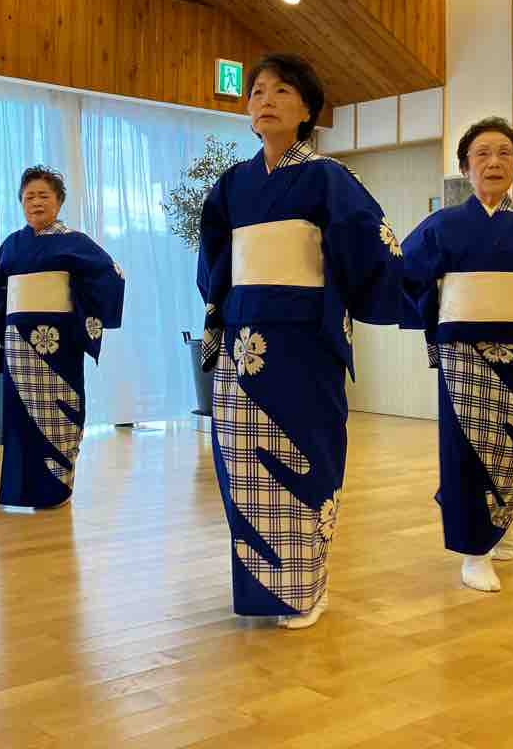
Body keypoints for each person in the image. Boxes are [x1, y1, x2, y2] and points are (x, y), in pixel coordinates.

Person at [197, 53, 402, 630]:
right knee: (243, 464)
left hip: (304, 341)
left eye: (282, 91)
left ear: (308, 109)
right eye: (258, 91)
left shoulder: (327, 178)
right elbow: (215, 260)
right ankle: (264, 585)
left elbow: (366, 244)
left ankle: (307, 585)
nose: (265, 100)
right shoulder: (232, 185)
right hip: (245, 342)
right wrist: (222, 314)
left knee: (306, 457)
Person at [400, 117, 513, 593]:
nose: (494, 162)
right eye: (482, 153)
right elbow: (407, 274)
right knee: (465, 447)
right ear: (465, 166)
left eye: (504, 153)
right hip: (462, 350)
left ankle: (501, 522)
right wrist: (436, 324)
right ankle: (473, 550)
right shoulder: (443, 224)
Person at [0, 166, 124, 508]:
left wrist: (81, 308)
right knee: (20, 415)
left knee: (61, 412)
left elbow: (111, 274)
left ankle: (57, 488)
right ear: (21, 202)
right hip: (18, 342)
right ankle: (21, 490)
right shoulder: (11, 245)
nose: (36, 202)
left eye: (43, 195)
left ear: (59, 201)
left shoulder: (74, 242)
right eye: (29, 196)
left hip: (58, 342)